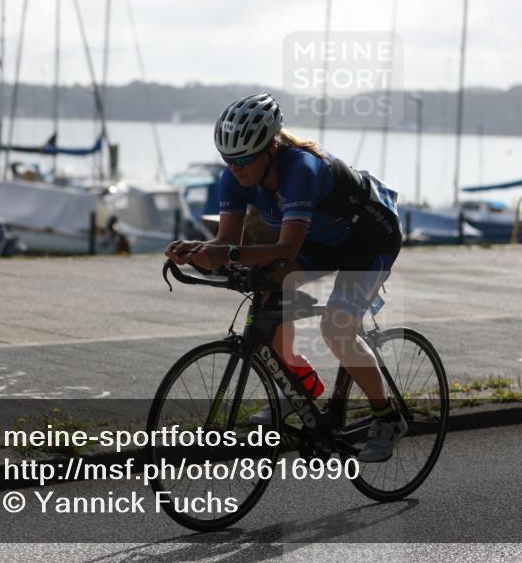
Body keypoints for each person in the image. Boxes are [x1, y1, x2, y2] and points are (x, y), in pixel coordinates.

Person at [165, 92, 405, 462]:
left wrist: (225, 254)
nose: (236, 168)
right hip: (324, 241)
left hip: (370, 238)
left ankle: (387, 418)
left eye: (245, 158)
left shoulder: (302, 169)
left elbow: (286, 248)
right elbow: (227, 243)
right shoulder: (234, 178)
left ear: (271, 148)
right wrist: (198, 252)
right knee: (267, 296)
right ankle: (299, 384)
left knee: (336, 329)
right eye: (228, 159)